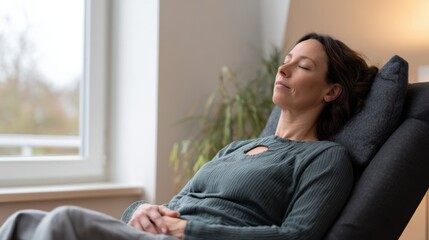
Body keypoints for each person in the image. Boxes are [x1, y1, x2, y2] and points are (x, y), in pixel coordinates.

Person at [0, 32, 378, 240]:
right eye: (288, 59)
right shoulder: (237, 147)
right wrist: (140, 210)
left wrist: (189, 229)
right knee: (24, 221)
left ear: (331, 91)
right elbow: (175, 203)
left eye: (304, 66)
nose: (284, 68)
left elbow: (296, 237)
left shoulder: (325, 158)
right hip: (162, 235)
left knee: (64, 222)